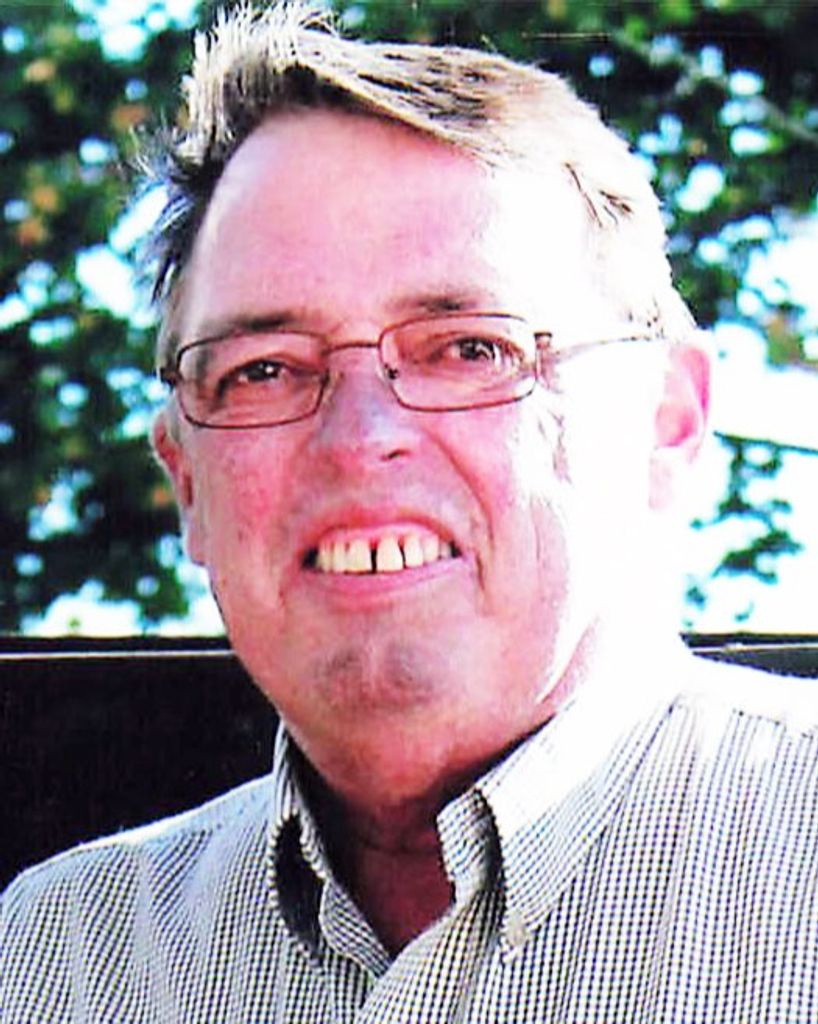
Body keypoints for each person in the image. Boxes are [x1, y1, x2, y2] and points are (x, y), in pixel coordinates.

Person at [2, 4, 817, 1021]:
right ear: (186, 480)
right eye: (263, 369)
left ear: (666, 424)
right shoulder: (56, 960)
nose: (358, 438)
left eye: (471, 348)